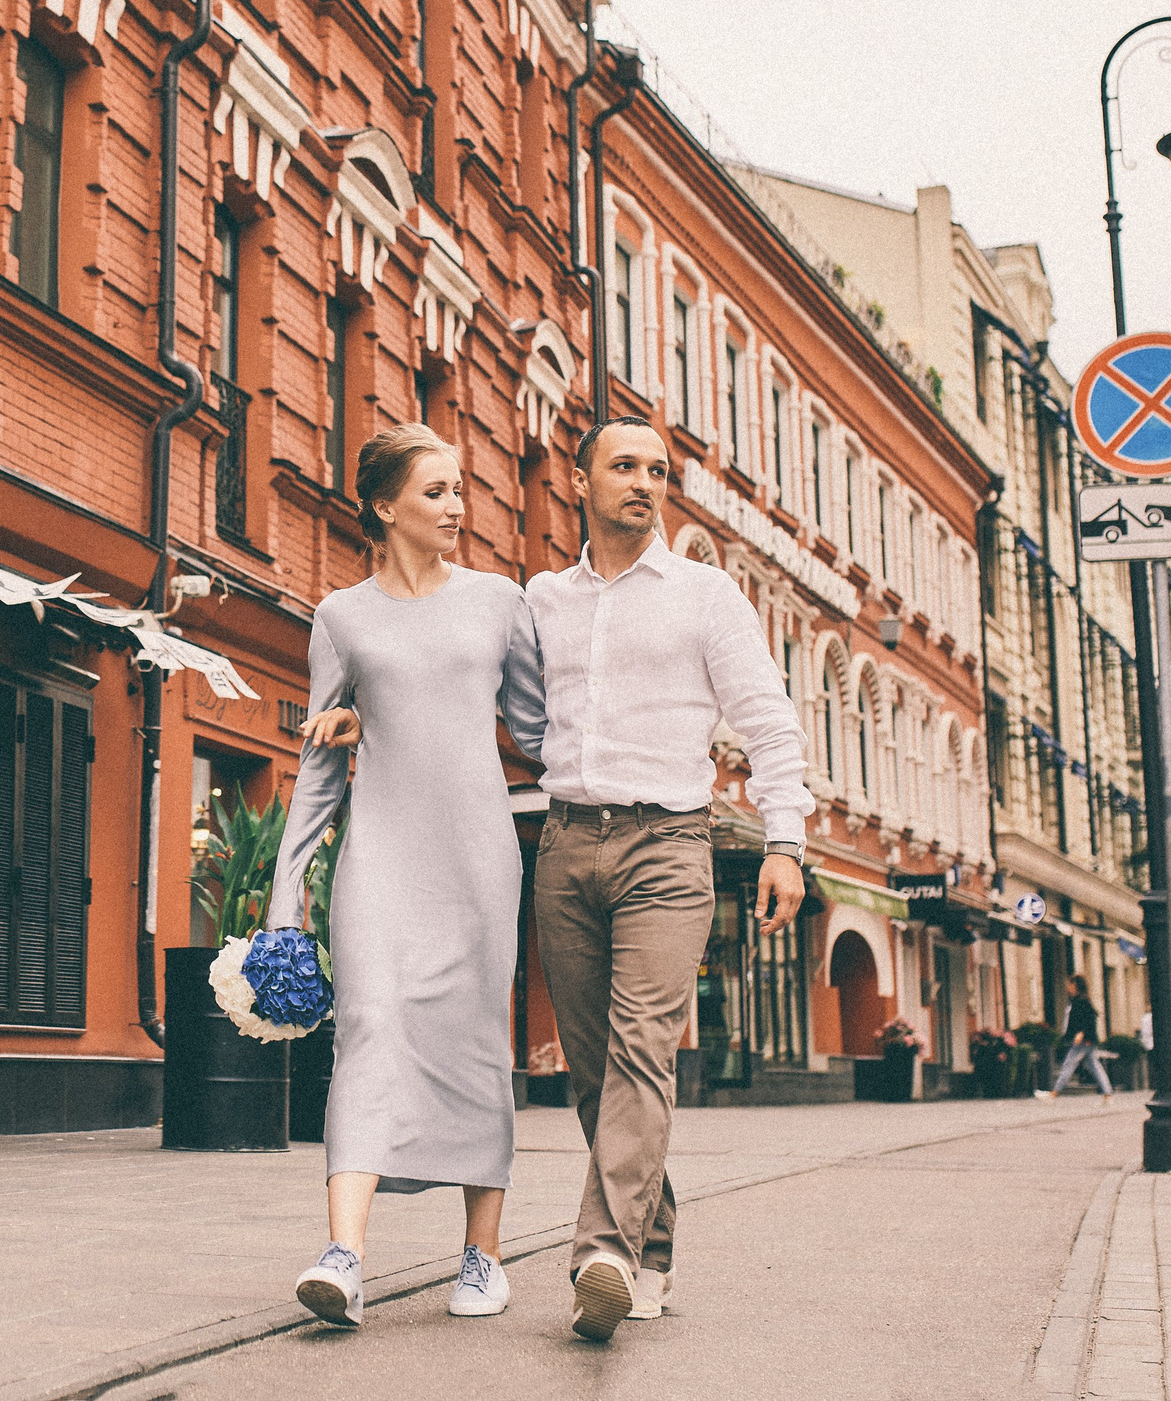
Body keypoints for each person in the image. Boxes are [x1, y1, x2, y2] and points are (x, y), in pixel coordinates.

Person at [319, 417, 808, 1342]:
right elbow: (463, 682)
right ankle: (649, 1250)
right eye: (624, 466)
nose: (645, 482)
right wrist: (367, 716)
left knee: (642, 1050)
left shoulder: (706, 596)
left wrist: (784, 839)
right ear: (579, 483)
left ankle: (601, 1255)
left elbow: (769, 722)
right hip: (566, 843)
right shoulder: (539, 600)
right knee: (594, 1071)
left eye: (658, 470)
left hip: (670, 844)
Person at [267, 422, 545, 1330]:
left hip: (478, 858)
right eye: (436, 491)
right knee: (370, 1028)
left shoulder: (500, 602)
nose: (457, 506)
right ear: (386, 507)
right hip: (380, 856)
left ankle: (482, 1257)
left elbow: (543, 732)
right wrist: (284, 898)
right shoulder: (341, 617)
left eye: (460, 489)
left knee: (474, 1041)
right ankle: (343, 1257)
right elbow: (318, 766)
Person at [1037, 975, 1113, 1101]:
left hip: (1083, 1040)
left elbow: (1089, 1018)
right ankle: (1107, 1093)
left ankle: (1054, 1093)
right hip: (1087, 1040)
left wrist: (1081, 1033)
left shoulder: (1081, 1001)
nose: (1067, 987)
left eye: (1069, 984)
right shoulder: (1079, 1000)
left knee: (1069, 1064)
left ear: (1075, 985)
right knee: (1094, 1066)